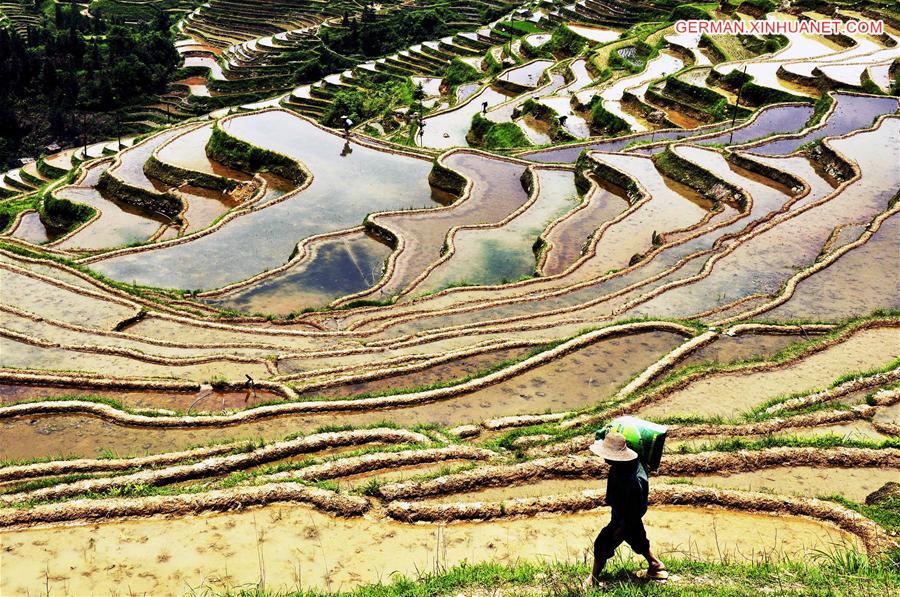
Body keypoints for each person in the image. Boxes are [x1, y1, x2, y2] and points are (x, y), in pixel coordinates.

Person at [585, 431, 667, 587]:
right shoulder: (630, 462)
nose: (604, 457)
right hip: (626, 516)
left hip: (624, 517)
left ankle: (593, 579)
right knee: (637, 539)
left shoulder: (630, 480)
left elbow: (635, 508)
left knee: (602, 543)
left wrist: (623, 526)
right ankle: (656, 565)